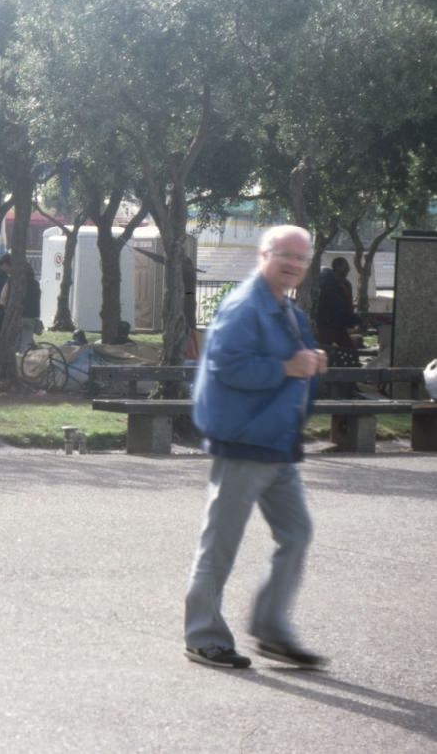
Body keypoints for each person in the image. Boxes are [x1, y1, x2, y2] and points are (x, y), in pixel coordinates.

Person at [185, 225, 329, 670]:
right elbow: (228, 366)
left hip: (275, 443)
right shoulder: (246, 305)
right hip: (244, 441)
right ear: (263, 255)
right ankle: (203, 637)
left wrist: (310, 366)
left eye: (301, 258)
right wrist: (289, 366)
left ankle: (270, 630)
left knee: (297, 533)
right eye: (284, 253)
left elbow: (293, 369)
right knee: (221, 544)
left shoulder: (287, 309)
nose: (293, 263)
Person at [314, 256, 361, 352]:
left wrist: (354, 319)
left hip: (339, 326)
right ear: (337, 267)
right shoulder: (327, 284)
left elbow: (347, 306)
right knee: (325, 349)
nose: (348, 269)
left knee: (349, 350)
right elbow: (336, 306)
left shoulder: (346, 284)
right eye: (345, 266)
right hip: (327, 325)